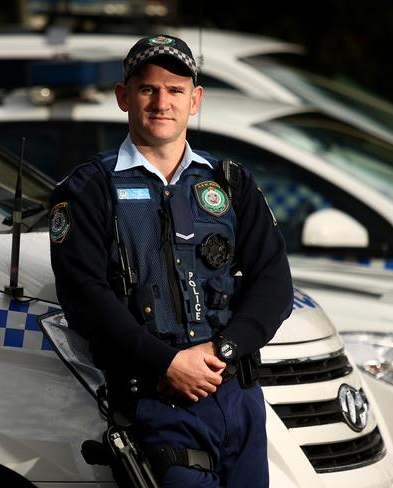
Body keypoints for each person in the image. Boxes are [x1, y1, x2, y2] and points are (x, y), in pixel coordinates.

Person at [49, 34, 293, 487]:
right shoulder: (89, 188)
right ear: (124, 97)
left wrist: (221, 350)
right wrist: (167, 363)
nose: (162, 102)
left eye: (176, 90)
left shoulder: (229, 182)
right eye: (148, 89)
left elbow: (275, 285)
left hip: (237, 397)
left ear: (195, 100)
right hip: (156, 400)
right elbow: (84, 297)